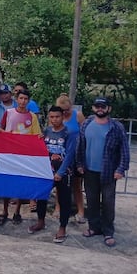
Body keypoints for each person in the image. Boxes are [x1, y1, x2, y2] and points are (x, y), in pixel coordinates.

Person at [76, 97, 129, 247]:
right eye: (97, 106)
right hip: (89, 170)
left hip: (109, 172)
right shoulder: (86, 124)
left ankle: (108, 231)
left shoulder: (116, 127)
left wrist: (121, 169)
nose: (100, 109)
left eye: (103, 106)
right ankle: (94, 227)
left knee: (108, 202)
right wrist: (79, 164)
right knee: (92, 201)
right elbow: (80, 146)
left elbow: (124, 150)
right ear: (93, 108)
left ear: (109, 109)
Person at [28, 106, 76, 243]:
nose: (54, 120)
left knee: (64, 200)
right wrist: (39, 140)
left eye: (57, 117)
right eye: (52, 117)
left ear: (63, 117)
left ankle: (62, 228)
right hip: (46, 170)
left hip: (63, 172)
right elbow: (42, 149)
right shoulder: (47, 131)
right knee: (42, 196)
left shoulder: (69, 133)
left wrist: (60, 172)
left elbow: (70, 155)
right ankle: (41, 221)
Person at [0, 88, 42, 225]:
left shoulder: (32, 117)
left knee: (20, 183)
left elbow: (36, 135)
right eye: (21, 98)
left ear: (29, 101)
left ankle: (17, 212)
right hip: (9, 154)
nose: (23, 101)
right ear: (17, 99)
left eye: (25, 99)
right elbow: (2, 129)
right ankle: (4, 211)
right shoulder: (8, 113)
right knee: (6, 183)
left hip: (23, 156)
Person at [57, 93, 86, 223]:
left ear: (71, 107)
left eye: (67, 110)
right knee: (60, 183)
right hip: (61, 155)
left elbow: (85, 134)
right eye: (62, 111)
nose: (65, 113)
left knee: (76, 185)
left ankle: (81, 211)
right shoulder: (57, 117)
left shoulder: (78, 115)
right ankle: (58, 208)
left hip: (75, 154)